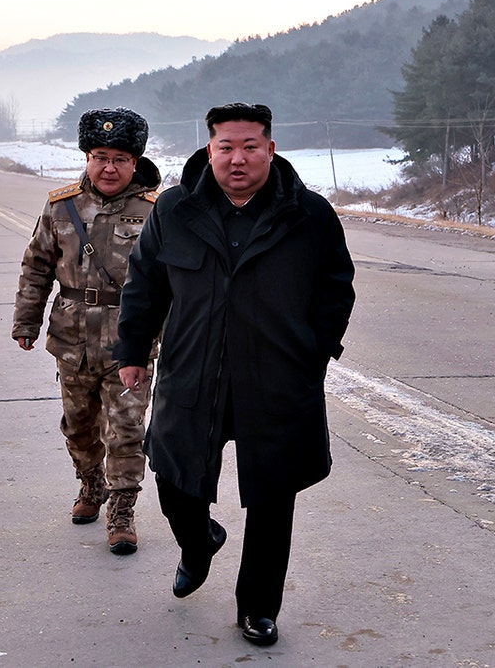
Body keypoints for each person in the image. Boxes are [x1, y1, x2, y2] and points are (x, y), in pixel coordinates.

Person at [114, 103, 355, 646]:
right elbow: (145, 283)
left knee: (273, 498)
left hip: (277, 381)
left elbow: (335, 287)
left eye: (250, 146)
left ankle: (258, 608)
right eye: (226, 147)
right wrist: (132, 349)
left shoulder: (308, 214)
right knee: (174, 478)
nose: (238, 158)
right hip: (192, 370)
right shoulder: (175, 209)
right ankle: (198, 543)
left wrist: (313, 354)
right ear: (209, 150)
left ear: (271, 149)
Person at [12, 107, 161, 555]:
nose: (109, 167)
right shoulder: (61, 206)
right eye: (100, 156)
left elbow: (174, 280)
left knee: (127, 429)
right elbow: (36, 265)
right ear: (86, 157)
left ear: (135, 162)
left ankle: (122, 509)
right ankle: (91, 482)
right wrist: (26, 320)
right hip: (72, 338)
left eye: (119, 158)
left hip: (130, 339)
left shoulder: (155, 211)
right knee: (79, 427)